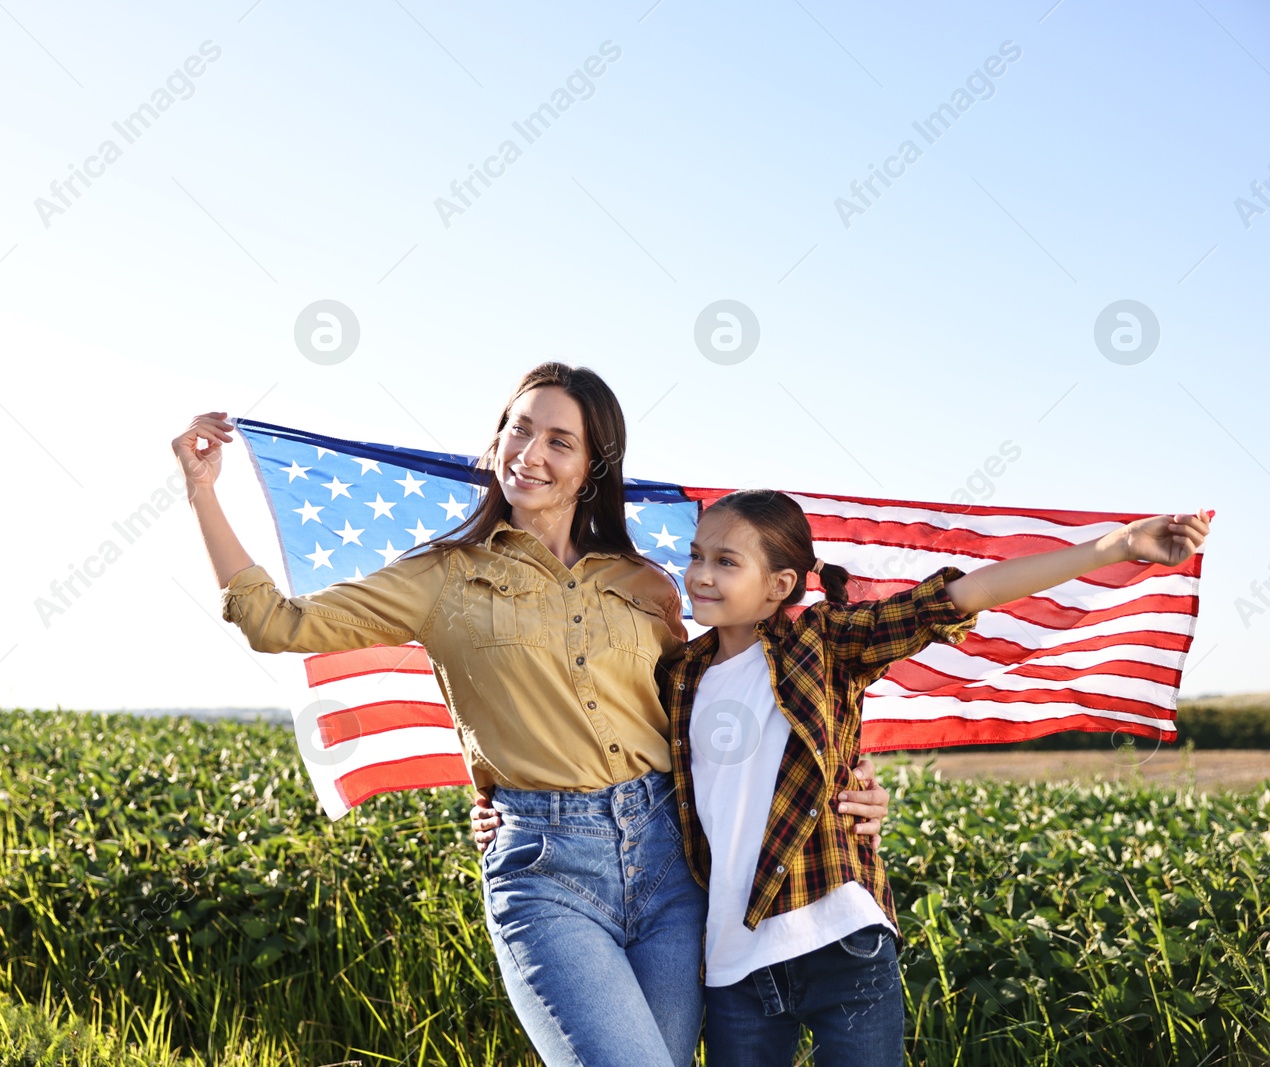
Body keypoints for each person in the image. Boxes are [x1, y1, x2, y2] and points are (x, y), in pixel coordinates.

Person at [172, 362, 893, 1067]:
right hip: (546, 868)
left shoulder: (646, 584)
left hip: (671, 866)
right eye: (519, 430)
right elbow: (277, 622)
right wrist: (203, 492)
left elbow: (728, 704)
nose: (531, 453)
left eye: (559, 441)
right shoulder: (440, 576)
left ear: (591, 467)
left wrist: (845, 782)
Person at [475, 490, 1212, 1065]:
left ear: (780, 585)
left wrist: (1114, 545)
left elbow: (954, 599)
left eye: (727, 561)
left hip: (840, 940)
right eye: (698, 554)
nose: (700, 572)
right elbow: (581, 729)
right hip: (734, 966)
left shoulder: (821, 642)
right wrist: (499, 801)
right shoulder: (678, 673)